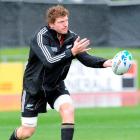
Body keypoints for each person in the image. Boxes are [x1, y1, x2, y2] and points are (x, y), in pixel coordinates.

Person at [9, 5, 112, 140]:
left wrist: (107, 63)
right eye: (61, 22)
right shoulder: (40, 37)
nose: (65, 24)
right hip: (34, 88)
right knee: (27, 132)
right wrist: (72, 52)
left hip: (55, 86)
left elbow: (86, 59)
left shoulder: (72, 37)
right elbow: (50, 61)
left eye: (66, 20)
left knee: (68, 109)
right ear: (51, 24)